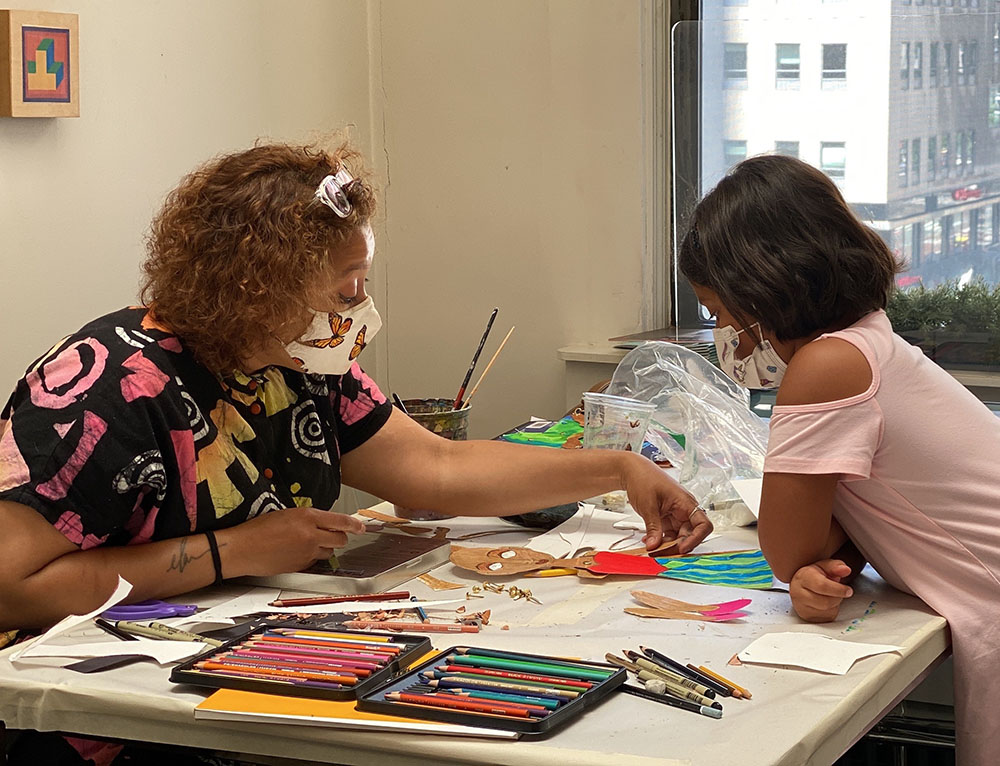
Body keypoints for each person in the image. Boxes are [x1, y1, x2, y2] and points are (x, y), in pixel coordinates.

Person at [0, 140, 710, 635]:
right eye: (347, 285)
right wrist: (235, 553)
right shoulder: (107, 389)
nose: (359, 305)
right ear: (259, 284)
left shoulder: (297, 361)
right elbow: (12, 587)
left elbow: (436, 468)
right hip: (113, 712)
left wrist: (618, 468)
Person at [678, 153, 1000, 764]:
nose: (723, 331)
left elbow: (788, 550)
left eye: (717, 312)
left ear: (760, 288)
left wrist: (812, 560)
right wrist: (835, 555)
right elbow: (868, 512)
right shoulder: (873, 341)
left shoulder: (826, 367)